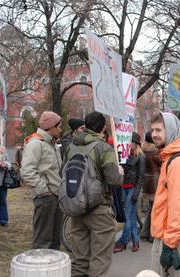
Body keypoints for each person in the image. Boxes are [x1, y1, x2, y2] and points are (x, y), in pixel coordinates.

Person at [65, 111, 123, 277]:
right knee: (99, 261)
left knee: (79, 261)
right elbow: (114, 180)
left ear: (86, 126)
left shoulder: (72, 146)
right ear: (103, 128)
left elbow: (65, 172)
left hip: (77, 207)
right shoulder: (105, 149)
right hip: (99, 209)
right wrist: (120, 173)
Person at [150, 112, 180, 277]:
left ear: (170, 130)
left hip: (172, 238)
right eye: (152, 130)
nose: (154, 134)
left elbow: (179, 208)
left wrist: (169, 245)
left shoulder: (178, 163)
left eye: (158, 130)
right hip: (168, 234)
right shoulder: (170, 158)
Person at [21, 111, 64, 249]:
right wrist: (44, 190)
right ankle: (40, 268)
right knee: (43, 240)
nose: (61, 130)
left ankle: (53, 269)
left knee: (55, 238)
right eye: (59, 126)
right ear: (51, 127)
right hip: (46, 198)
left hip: (55, 196)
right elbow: (27, 172)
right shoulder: (36, 143)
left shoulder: (51, 144)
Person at [114, 132, 146, 253]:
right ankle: (136, 242)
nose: (128, 144)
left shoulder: (141, 157)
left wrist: (136, 193)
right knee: (131, 216)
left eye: (130, 142)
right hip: (124, 187)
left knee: (127, 216)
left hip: (133, 188)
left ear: (135, 143)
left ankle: (122, 241)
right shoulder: (124, 154)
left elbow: (141, 177)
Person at [140, 131, 161, 243]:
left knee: (151, 209)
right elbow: (161, 163)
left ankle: (144, 232)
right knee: (155, 210)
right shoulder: (155, 151)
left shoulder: (142, 150)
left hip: (145, 181)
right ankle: (152, 235)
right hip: (155, 182)